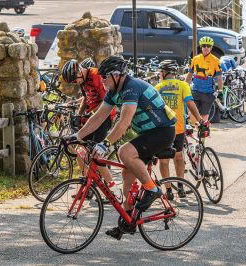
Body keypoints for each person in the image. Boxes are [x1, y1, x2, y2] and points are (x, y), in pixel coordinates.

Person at [66, 56, 176, 237]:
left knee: (124, 151)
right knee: (127, 178)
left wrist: (106, 144)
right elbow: (98, 117)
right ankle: (129, 222)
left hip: (163, 131)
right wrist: (77, 135)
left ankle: (152, 189)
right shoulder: (113, 91)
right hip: (147, 133)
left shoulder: (131, 88)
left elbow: (124, 122)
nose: (102, 81)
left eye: (105, 78)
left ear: (116, 75)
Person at [155, 60, 206, 199]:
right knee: (178, 157)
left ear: (164, 73)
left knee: (164, 161)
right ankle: (181, 186)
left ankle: (169, 190)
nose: (160, 74)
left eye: (160, 72)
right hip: (179, 129)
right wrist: (200, 119)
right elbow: (190, 104)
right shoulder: (183, 85)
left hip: (162, 130)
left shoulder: (158, 87)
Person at [61, 59, 114, 188]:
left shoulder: (96, 76)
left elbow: (106, 101)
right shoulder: (82, 79)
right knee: (79, 149)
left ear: (80, 71)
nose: (75, 82)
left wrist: (91, 114)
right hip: (92, 118)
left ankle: (111, 187)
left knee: (96, 154)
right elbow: (85, 98)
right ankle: (87, 185)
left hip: (104, 117)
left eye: (75, 80)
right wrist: (79, 115)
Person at [185, 36, 223, 122]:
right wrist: (184, 85)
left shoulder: (215, 60)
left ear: (211, 47)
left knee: (204, 115)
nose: (206, 47)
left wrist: (221, 91)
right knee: (192, 113)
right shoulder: (195, 59)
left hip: (208, 93)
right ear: (201, 46)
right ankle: (196, 131)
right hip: (195, 91)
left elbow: (219, 78)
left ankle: (203, 131)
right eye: (204, 45)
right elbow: (190, 74)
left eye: (208, 46)